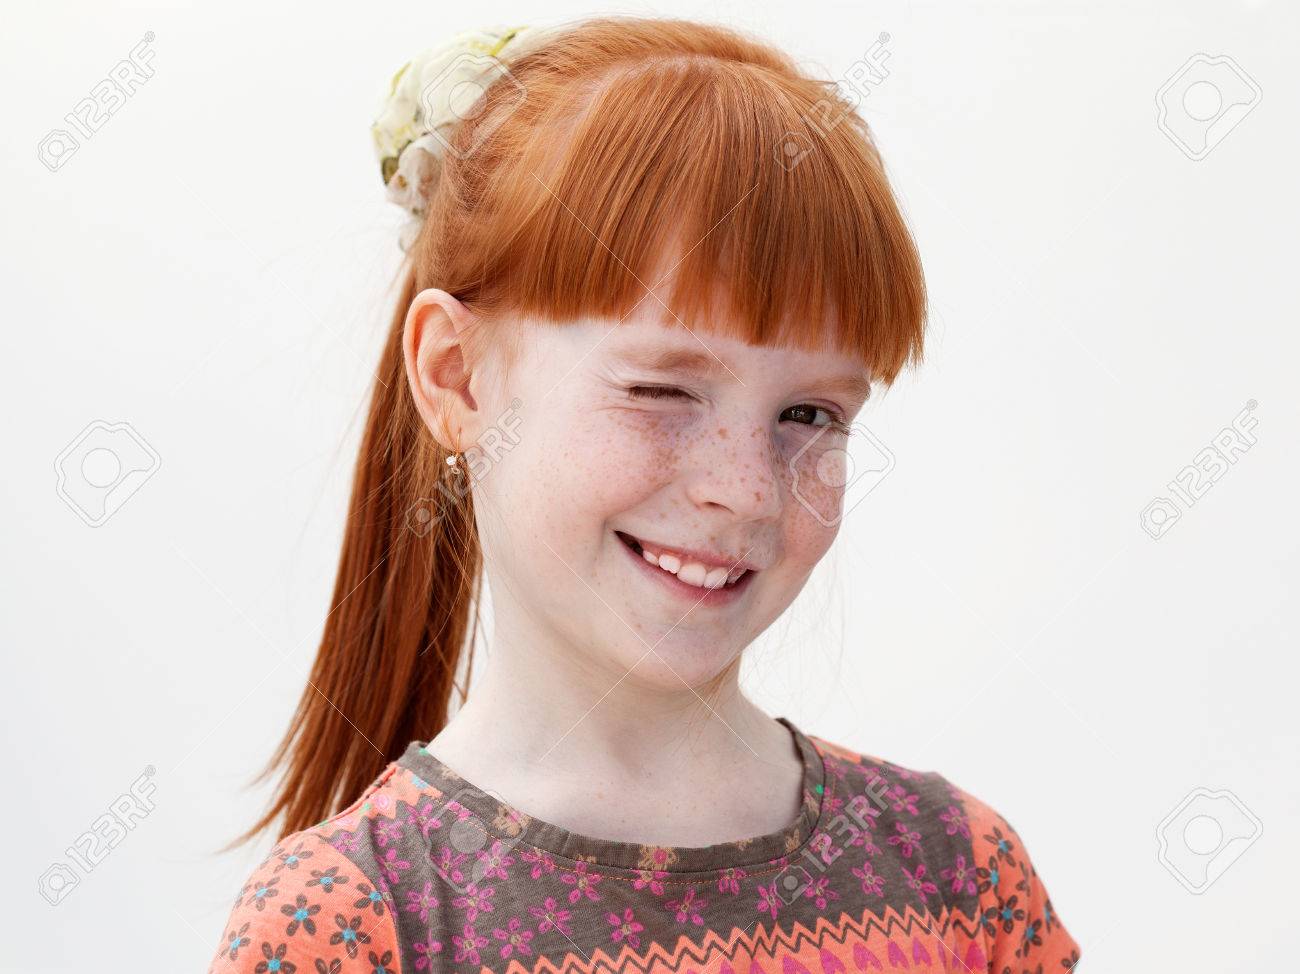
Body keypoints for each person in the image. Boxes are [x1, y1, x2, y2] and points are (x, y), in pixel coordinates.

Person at [207, 17, 1079, 973]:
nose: (745, 491)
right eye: (663, 392)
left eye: (808, 414)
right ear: (457, 377)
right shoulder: (351, 922)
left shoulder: (958, 873)